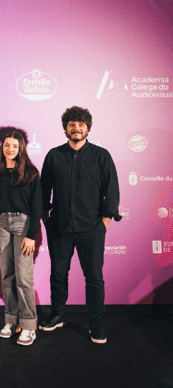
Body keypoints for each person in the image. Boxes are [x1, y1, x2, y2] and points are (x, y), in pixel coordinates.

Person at [40, 106, 121, 344]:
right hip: (60, 228)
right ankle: (57, 315)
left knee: (94, 278)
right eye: (72, 124)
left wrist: (104, 222)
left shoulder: (101, 155)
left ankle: (96, 324)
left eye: (81, 124)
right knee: (58, 275)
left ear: (88, 127)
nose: (76, 128)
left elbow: (112, 190)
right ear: (65, 127)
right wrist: (47, 220)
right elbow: (44, 191)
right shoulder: (54, 155)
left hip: (91, 229)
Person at [0, 131, 42, 346]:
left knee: (24, 278)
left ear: (21, 148)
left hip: (23, 225)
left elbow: (37, 207)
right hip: (0, 225)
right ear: (2, 148)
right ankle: (11, 321)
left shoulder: (30, 173)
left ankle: (28, 325)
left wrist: (31, 235)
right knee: (7, 277)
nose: (10, 149)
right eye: (7, 145)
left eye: (15, 145)